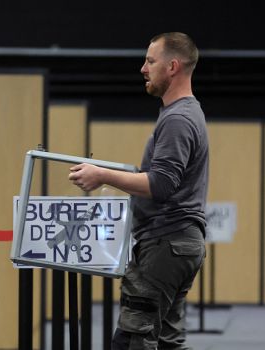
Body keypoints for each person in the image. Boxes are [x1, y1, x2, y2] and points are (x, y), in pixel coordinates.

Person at [68, 32, 208, 349]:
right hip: (177, 244)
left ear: (172, 66)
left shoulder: (178, 119)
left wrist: (102, 175)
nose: (143, 68)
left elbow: (160, 183)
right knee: (166, 342)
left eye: (150, 60)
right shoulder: (184, 114)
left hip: (166, 243)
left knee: (133, 340)